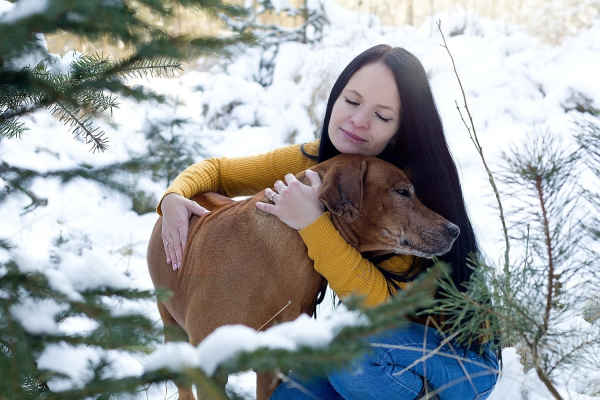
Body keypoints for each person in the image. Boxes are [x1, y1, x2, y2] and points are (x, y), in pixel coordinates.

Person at [157, 44, 499, 399]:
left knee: (353, 358)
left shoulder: (404, 195)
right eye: (351, 101)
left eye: (382, 116)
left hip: (457, 360)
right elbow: (219, 171)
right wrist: (172, 200)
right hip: (378, 356)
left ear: (400, 130)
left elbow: (382, 308)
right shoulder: (323, 162)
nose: (358, 121)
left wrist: (312, 223)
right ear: (335, 98)